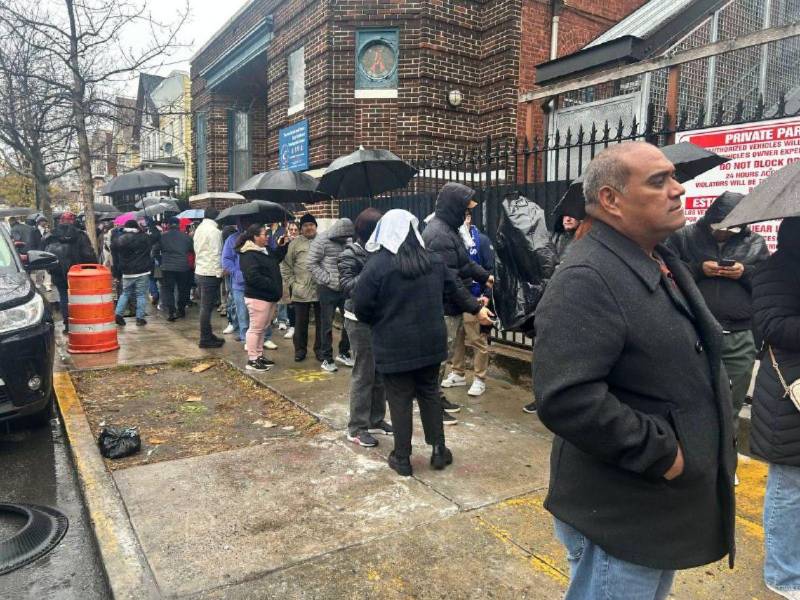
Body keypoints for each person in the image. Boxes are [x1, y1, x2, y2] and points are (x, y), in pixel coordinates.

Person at [533, 142, 736, 600]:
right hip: (625, 510)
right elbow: (567, 398)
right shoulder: (589, 275)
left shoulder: (656, 258)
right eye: (658, 181)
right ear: (610, 199)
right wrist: (664, 455)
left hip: (657, 510)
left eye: (673, 177)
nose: (678, 189)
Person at [353, 210, 494, 476]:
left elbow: (361, 307)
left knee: (399, 399)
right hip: (430, 344)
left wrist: (381, 322)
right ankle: (439, 450)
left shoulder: (378, 264)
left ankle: (402, 458)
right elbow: (456, 289)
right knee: (429, 394)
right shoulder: (434, 260)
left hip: (393, 346)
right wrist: (476, 308)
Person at [668, 191, 770, 458]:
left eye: (731, 228)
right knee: (689, 400)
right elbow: (667, 272)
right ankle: (689, 457)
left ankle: (725, 462)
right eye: (719, 227)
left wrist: (744, 272)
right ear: (709, 218)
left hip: (738, 334)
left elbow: (767, 283)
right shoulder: (684, 237)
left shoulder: (755, 243)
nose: (723, 233)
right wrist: (699, 269)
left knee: (731, 404)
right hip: (693, 331)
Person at [750, 217, 800, 600]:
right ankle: (782, 574)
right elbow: (772, 325)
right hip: (789, 394)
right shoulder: (775, 269)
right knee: (789, 487)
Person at [423, 182, 494, 423]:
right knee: (438, 358)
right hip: (441, 307)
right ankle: (432, 405)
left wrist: (485, 276)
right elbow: (450, 279)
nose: (467, 214)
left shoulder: (449, 230)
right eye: (465, 209)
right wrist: (476, 308)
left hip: (449, 306)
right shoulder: (439, 235)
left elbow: (463, 263)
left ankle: (436, 397)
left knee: (444, 355)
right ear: (454, 207)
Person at [339, 208, 393, 447]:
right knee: (363, 373)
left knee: (379, 371)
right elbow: (347, 286)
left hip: (379, 318)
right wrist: (373, 268)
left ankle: (375, 419)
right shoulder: (349, 254)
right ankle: (357, 427)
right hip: (358, 319)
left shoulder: (381, 252)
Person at [441, 210, 495, 397]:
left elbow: (490, 269)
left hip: (475, 297)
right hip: (457, 297)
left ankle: (480, 378)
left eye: (463, 216)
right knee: (457, 338)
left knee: (477, 339)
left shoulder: (482, 241)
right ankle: (458, 372)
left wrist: (487, 294)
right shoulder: (453, 240)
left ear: (469, 218)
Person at [238, 223, 289, 372]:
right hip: (258, 297)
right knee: (255, 328)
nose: (267, 237)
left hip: (269, 296)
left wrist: (283, 246)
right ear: (255, 237)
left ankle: (259, 355)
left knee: (263, 328)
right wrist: (271, 284)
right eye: (264, 234)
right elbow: (252, 276)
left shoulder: (264, 250)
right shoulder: (248, 254)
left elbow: (275, 259)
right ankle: (252, 359)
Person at [307, 217, 355, 372]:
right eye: (343, 237)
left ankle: (344, 352)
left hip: (344, 288)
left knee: (349, 321)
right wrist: (327, 279)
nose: (345, 239)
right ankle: (327, 358)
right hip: (327, 289)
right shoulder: (321, 241)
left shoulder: (348, 240)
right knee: (326, 324)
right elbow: (311, 263)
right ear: (337, 233)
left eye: (347, 237)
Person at [43, 212, 97, 333]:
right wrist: (93, 267)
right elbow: (88, 254)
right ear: (74, 221)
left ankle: (68, 324)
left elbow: (44, 253)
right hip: (78, 272)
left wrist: (50, 269)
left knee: (63, 297)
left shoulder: (50, 235)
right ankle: (81, 322)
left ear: (60, 221)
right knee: (80, 297)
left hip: (57, 272)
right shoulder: (80, 235)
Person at [281, 214, 322, 362]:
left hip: (321, 289)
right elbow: (285, 266)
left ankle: (321, 350)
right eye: (305, 225)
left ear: (316, 226)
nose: (309, 228)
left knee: (322, 323)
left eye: (311, 225)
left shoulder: (324, 241)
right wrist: (292, 283)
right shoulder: (294, 244)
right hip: (300, 290)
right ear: (301, 228)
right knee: (300, 323)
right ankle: (300, 350)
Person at [111, 220, 155, 327]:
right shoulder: (144, 237)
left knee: (125, 293)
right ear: (137, 227)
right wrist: (148, 226)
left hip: (127, 272)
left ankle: (118, 314)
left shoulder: (119, 240)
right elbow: (155, 237)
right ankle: (140, 318)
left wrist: (116, 273)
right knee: (141, 295)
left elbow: (114, 255)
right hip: (143, 271)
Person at [193, 208, 225, 348]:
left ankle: (208, 334)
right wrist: (219, 273)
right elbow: (217, 253)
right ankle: (205, 338)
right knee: (206, 308)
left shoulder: (199, 229)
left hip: (200, 270)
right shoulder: (215, 232)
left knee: (205, 307)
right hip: (210, 273)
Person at [155, 216, 194, 322]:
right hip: (183, 267)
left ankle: (171, 312)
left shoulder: (162, 236)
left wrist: (161, 260)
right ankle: (181, 310)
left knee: (168, 290)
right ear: (178, 224)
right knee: (183, 289)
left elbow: (155, 251)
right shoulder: (186, 237)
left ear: (168, 224)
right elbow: (191, 249)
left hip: (167, 267)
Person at [277, 221, 299, 338]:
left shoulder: (302, 242)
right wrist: (283, 243)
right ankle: (292, 326)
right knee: (290, 303)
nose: (293, 232)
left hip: (300, 277)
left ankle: (299, 327)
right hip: (288, 277)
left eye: (296, 230)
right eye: (291, 229)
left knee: (299, 304)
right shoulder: (284, 240)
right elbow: (278, 255)